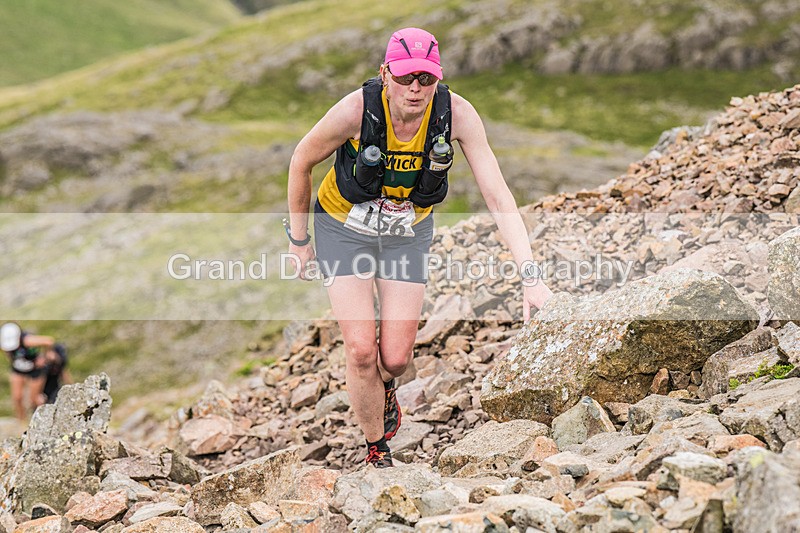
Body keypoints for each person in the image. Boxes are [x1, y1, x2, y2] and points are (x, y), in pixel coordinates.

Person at [286, 28, 553, 468]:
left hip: (405, 233)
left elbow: (499, 196)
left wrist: (531, 277)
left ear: (438, 78)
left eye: (426, 79)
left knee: (394, 357)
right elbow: (301, 160)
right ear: (385, 73)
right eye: (406, 77)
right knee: (359, 350)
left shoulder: (458, 116)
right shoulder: (355, 110)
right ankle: (377, 449)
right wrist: (299, 241)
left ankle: (386, 388)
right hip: (340, 227)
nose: (416, 88)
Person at [1, 322, 54, 420]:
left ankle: (43, 420)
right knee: (17, 398)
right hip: (18, 369)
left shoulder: (27, 340)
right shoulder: (4, 342)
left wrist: (46, 357)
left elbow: (49, 341)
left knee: (34, 399)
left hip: (35, 370)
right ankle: (21, 420)